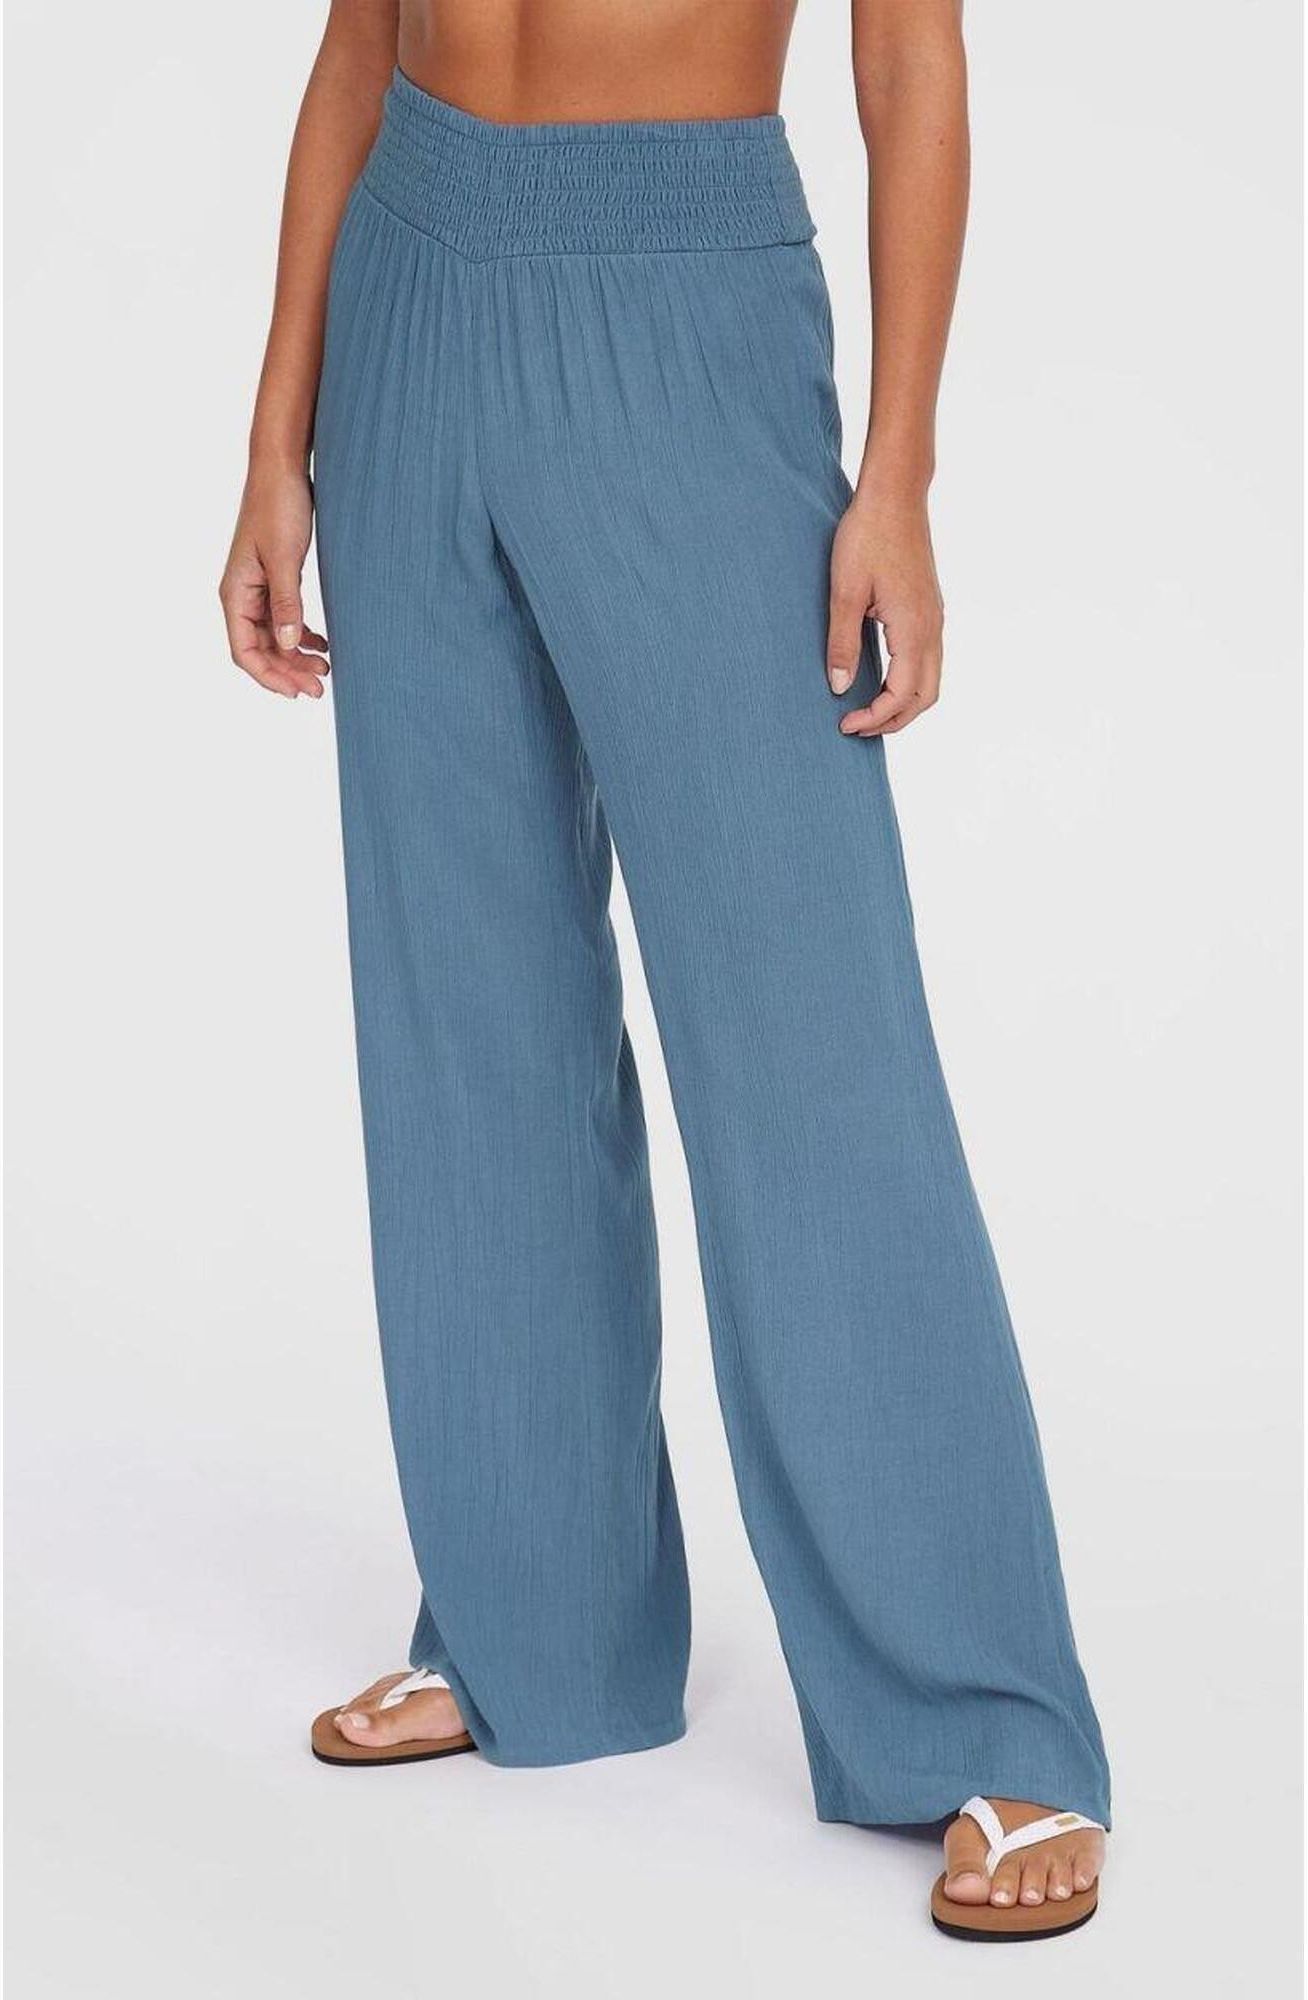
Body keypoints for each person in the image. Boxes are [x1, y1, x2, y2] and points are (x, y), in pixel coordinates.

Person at [219, 0, 1110, 1942]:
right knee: (470, 1021)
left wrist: (898, 470)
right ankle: (535, 1631)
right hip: (413, 283)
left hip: (684, 287)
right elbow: (361, 36)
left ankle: (977, 1702)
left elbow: (909, 55)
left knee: (807, 1034)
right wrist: (278, 437)